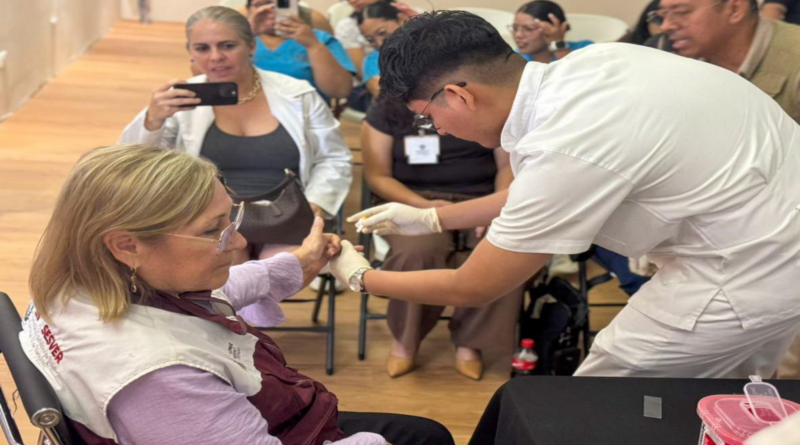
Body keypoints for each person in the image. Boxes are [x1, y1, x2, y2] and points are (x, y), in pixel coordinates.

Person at [328, 11, 800, 379]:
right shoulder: (594, 65)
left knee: (607, 390)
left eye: (429, 117)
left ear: (458, 95)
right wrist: (432, 219)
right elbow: (542, 195)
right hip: (772, 231)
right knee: (729, 396)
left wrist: (361, 277)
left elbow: (473, 286)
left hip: (746, 267)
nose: (440, 129)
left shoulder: (566, 141)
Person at [20, 144, 455, 445]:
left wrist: (301, 262)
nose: (236, 241)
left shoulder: (78, 287)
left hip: (269, 416)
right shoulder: (160, 380)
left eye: (230, 218)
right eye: (213, 231)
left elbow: (218, 291)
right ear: (127, 244)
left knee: (425, 433)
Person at [362, 96, 523, 379]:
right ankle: (406, 341)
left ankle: (470, 343)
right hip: (411, 201)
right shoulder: (386, 109)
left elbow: (507, 166)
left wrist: (497, 206)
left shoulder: (475, 102)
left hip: (480, 199)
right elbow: (378, 176)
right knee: (418, 251)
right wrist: (423, 207)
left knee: (503, 249)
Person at [656, 0, 800, 123]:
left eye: (682, 12)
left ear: (735, 9)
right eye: (663, 14)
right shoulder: (671, 60)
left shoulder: (794, 57)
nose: (666, 25)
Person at [247, 0, 355, 99]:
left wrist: (314, 46)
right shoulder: (239, 41)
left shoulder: (320, 39)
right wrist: (246, 33)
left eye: (281, 3)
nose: (270, 10)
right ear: (248, 10)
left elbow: (340, 91)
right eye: (261, 5)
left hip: (306, 114)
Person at [509, 1, 592, 64]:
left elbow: (582, 77)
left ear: (557, 29)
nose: (518, 35)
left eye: (529, 28)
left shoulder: (585, 49)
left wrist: (558, 44)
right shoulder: (514, 60)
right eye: (515, 28)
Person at [358, 1, 412, 97]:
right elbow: (381, 93)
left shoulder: (427, 42)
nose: (379, 43)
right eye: (370, 40)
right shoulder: (373, 60)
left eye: (382, 33)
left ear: (401, 18)